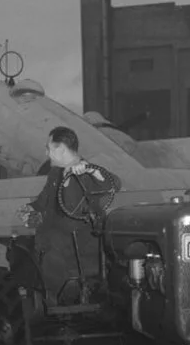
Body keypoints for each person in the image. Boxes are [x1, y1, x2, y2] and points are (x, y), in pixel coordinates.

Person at [17, 126, 121, 304]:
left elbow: (114, 184)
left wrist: (91, 170)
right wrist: (28, 208)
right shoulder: (55, 173)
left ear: (61, 149)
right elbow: (43, 201)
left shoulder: (87, 173)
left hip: (75, 251)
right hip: (52, 245)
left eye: (49, 148)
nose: (47, 153)